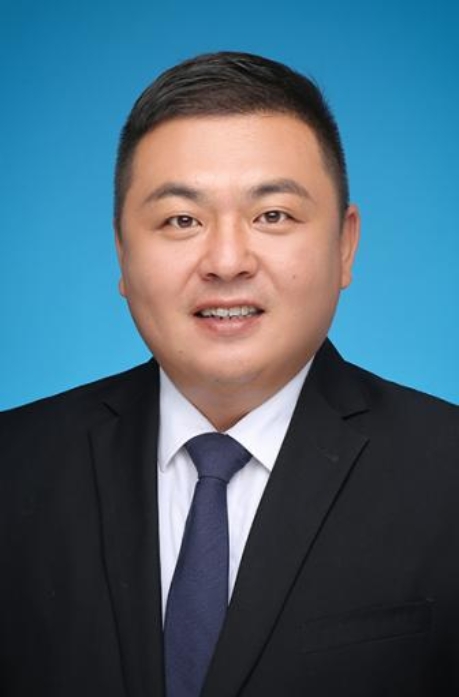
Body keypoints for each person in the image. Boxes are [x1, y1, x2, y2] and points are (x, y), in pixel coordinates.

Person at [1, 51, 458, 697]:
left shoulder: (447, 472)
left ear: (344, 244)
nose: (225, 260)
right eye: (181, 220)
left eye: (272, 215)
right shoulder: (14, 466)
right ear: (122, 252)